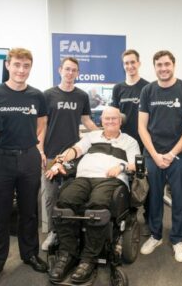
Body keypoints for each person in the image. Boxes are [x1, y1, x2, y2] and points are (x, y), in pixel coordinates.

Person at [45, 107, 139, 284]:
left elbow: (135, 163)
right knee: (65, 202)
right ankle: (68, 254)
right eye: (106, 119)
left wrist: (121, 167)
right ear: (101, 121)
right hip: (84, 178)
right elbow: (75, 150)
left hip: (110, 179)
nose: (110, 122)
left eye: (114, 119)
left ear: (120, 121)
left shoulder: (129, 141)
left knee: (98, 206)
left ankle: (88, 259)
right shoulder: (91, 137)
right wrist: (60, 161)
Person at [0, 48, 48, 286]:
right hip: (0, 158)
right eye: (17, 65)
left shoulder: (37, 95)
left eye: (26, 66)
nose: (22, 70)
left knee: (29, 211)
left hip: (29, 157)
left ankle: (29, 254)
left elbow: (41, 123)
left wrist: (38, 149)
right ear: (8, 66)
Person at [138, 50, 182, 263]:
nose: (163, 68)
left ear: (173, 65)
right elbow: (142, 128)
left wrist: (171, 154)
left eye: (167, 64)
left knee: (179, 197)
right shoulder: (148, 91)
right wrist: (155, 155)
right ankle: (155, 235)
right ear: (154, 67)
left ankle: (177, 239)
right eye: (159, 65)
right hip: (153, 154)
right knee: (153, 198)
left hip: (179, 155)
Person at [41, 57, 98, 251]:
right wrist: (40, 150)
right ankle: (52, 232)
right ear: (60, 70)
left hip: (72, 156)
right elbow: (43, 125)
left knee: (68, 195)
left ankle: (67, 232)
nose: (70, 73)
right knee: (50, 196)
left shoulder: (81, 96)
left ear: (78, 73)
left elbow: (87, 121)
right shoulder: (48, 95)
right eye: (67, 69)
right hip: (50, 154)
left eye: (74, 70)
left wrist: (102, 134)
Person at [111, 49, 149, 152]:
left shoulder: (148, 87)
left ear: (139, 63)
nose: (130, 66)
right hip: (123, 140)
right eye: (126, 63)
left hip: (144, 140)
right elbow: (114, 115)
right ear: (123, 66)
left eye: (133, 62)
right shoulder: (117, 88)